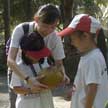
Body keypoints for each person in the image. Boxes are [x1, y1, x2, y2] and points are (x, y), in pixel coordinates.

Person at [7, 3, 70, 108]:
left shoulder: (55, 37)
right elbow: (10, 61)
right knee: (16, 102)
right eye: (45, 26)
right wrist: (28, 80)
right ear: (36, 19)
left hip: (41, 71)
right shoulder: (22, 29)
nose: (49, 31)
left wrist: (62, 75)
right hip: (18, 70)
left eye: (53, 27)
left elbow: (59, 64)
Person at [58, 14, 108, 108]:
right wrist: (74, 92)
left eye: (73, 39)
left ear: (85, 36)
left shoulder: (92, 59)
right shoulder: (91, 56)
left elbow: (92, 89)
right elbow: (87, 85)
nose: (72, 43)